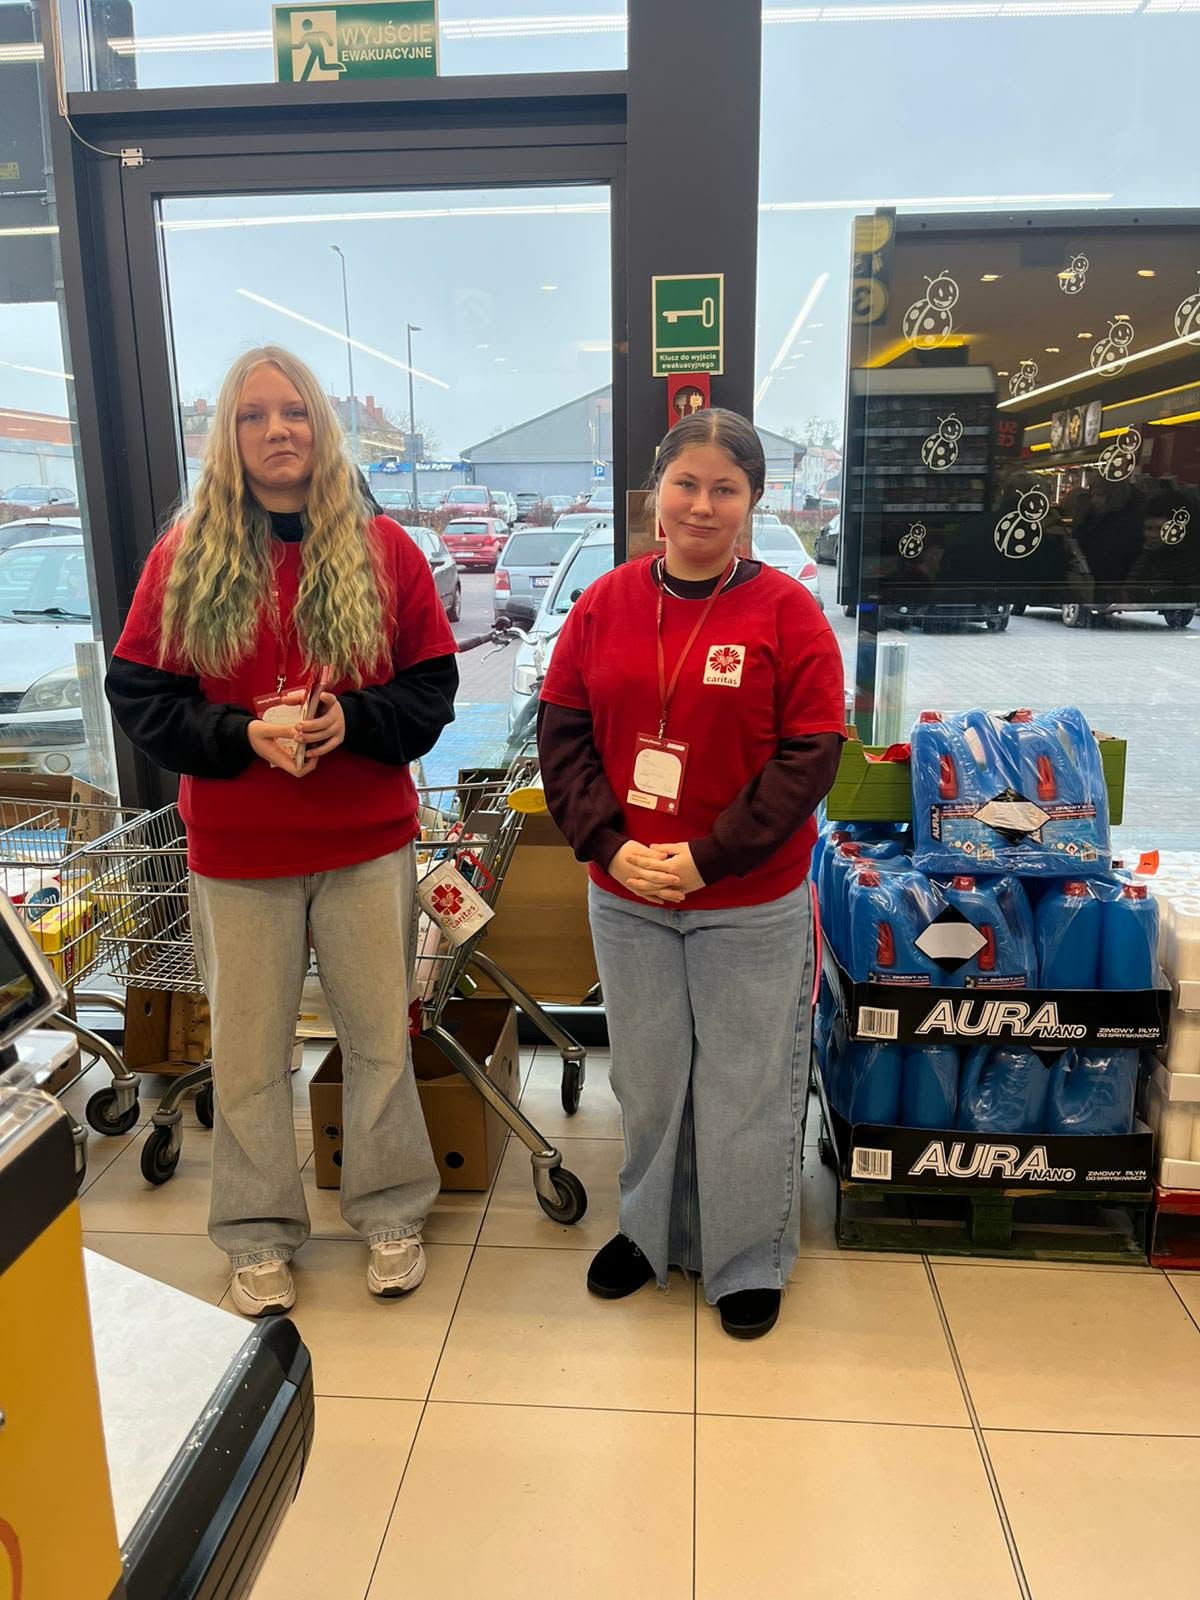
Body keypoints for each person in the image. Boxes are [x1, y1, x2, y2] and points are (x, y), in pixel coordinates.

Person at [106, 346, 457, 1317]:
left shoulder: (386, 551)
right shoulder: (184, 558)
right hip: (239, 852)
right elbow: (141, 693)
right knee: (250, 1060)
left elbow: (431, 687)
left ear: (321, 427)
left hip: (364, 844)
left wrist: (355, 720)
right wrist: (239, 736)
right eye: (254, 415)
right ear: (230, 435)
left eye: (294, 412)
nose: (277, 431)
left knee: (380, 1041)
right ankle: (257, 1235)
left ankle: (390, 1211)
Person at [537, 408, 845, 1340]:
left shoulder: (789, 612)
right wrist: (608, 845)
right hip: (627, 893)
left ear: (752, 502)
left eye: (725, 489)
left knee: (745, 1084)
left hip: (748, 898)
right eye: (686, 484)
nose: (702, 506)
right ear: (656, 495)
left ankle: (747, 1256)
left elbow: (810, 757)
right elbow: (563, 735)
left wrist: (709, 856)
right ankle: (649, 1233)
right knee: (649, 1077)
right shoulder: (605, 603)